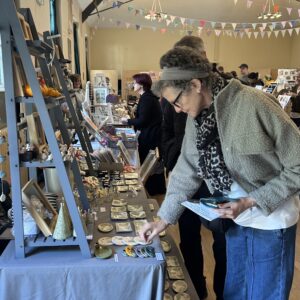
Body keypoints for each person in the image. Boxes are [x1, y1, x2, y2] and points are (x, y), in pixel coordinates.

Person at [140, 46, 300, 300]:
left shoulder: (254, 104)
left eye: (177, 101)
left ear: (195, 84)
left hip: (271, 223)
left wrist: (250, 201)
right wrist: (162, 220)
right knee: (234, 293)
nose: (178, 110)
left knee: (264, 295)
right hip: (236, 221)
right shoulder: (198, 118)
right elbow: (186, 170)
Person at [161, 36, 226, 300]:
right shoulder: (173, 93)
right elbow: (167, 131)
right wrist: (172, 157)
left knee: (222, 243)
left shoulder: (224, 95)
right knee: (188, 240)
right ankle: (196, 289)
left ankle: (222, 292)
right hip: (184, 178)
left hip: (217, 185)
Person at [126, 73, 165, 195]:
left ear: (141, 85)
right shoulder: (147, 97)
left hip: (150, 136)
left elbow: (143, 120)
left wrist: (127, 121)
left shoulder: (147, 98)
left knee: (148, 162)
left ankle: (152, 189)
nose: (133, 84)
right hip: (151, 134)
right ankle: (153, 188)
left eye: (135, 83)